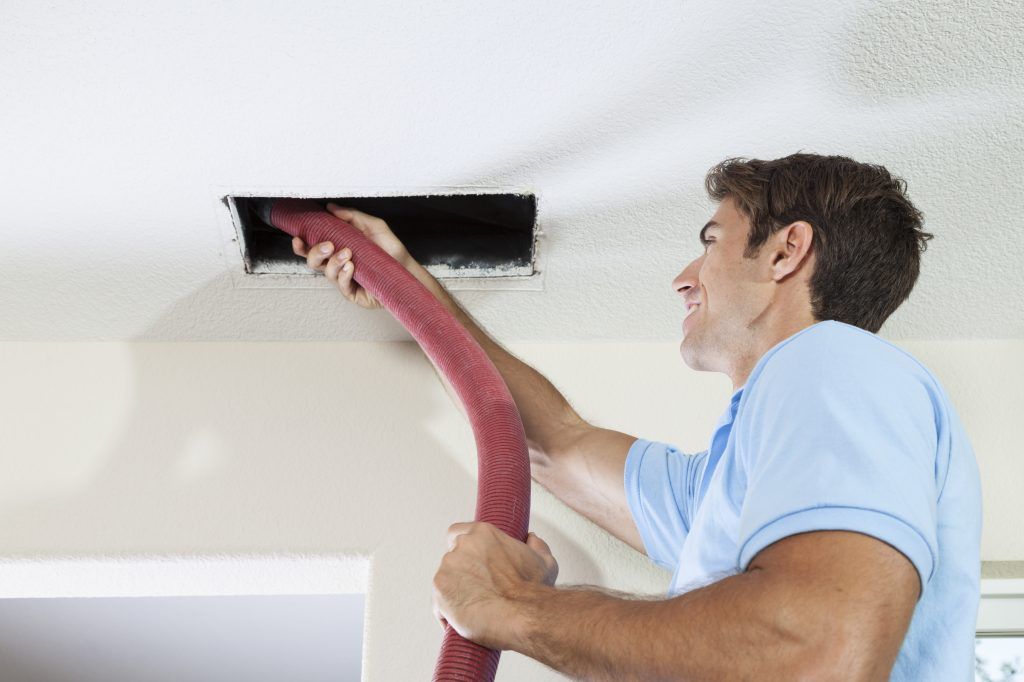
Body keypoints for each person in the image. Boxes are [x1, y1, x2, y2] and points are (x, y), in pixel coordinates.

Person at [294, 153, 981, 681]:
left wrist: (513, 605)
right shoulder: (733, 488)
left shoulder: (834, 362)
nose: (684, 276)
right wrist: (408, 286)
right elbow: (555, 445)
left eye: (712, 241)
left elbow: (818, 648)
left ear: (785, 250)